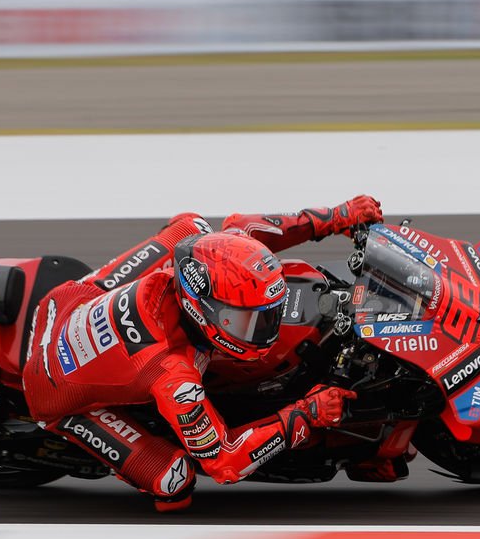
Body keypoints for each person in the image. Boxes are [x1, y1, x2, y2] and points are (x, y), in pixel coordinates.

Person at [22, 195, 383, 511]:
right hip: (53, 388)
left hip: (69, 299)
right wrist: (304, 415)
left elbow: (247, 227)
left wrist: (340, 214)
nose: (265, 331)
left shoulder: (210, 247)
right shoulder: (172, 374)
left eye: (269, 314)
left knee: (189, 225)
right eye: (245, 321)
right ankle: (73, 427)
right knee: (174, 482)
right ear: (201, 311)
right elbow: (224, 462)